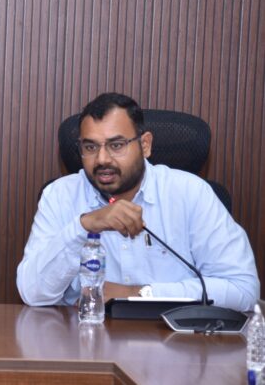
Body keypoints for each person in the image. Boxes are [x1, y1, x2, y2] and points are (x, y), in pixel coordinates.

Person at [17, 92, 259, 311]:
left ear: (145, 145)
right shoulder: (60, 196)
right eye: (90, 147)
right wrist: (84, 225)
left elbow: (243, 290)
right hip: (86, 337)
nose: (102, 159)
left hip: (174, 340)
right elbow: (33, 294)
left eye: (116, 145)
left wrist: (139, 293)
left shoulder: (190, 193)